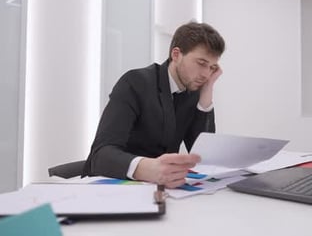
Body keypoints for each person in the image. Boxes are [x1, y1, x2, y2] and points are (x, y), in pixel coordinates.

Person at [82, 22, 225, 189]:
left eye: (212, 68)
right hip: (110, 186)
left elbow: (203, 157)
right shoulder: (135, 83)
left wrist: (207, 92)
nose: (206, 74)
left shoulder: (192, 92)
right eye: (201, 63)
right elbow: (101, 156)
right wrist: (146, 168)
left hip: (159, 190)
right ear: (176, 54)